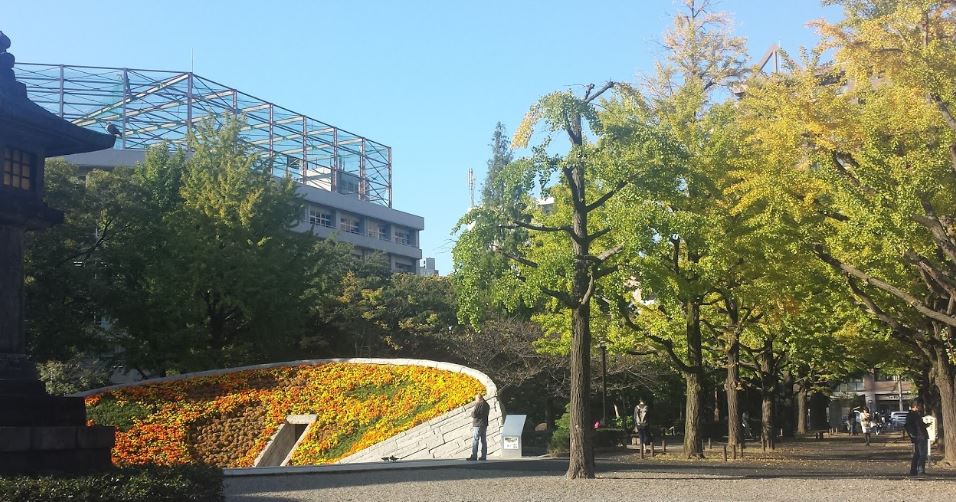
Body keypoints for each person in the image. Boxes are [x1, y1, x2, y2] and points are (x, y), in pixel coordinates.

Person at [904, 400, 929, 476]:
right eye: (920, 406)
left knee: (918, 454)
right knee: (922, 454)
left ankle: (914, 470)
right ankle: (920, 470)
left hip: (919, 436)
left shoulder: (914, 415)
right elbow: (916, 426)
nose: (921, 407)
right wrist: (914, 434)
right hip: (920, 436)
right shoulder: (914, 415)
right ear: (916, 406)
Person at [467, 393, 490, 461]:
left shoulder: (478, 404)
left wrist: (471, 413)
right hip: (484, 424)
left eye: (476, 399)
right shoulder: (487, 404)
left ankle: (474, 456)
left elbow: (474, 414)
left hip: (477, 424)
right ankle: (483, 456)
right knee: (483, 440)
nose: (475, 400)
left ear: (479, 398)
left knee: (475, 440)